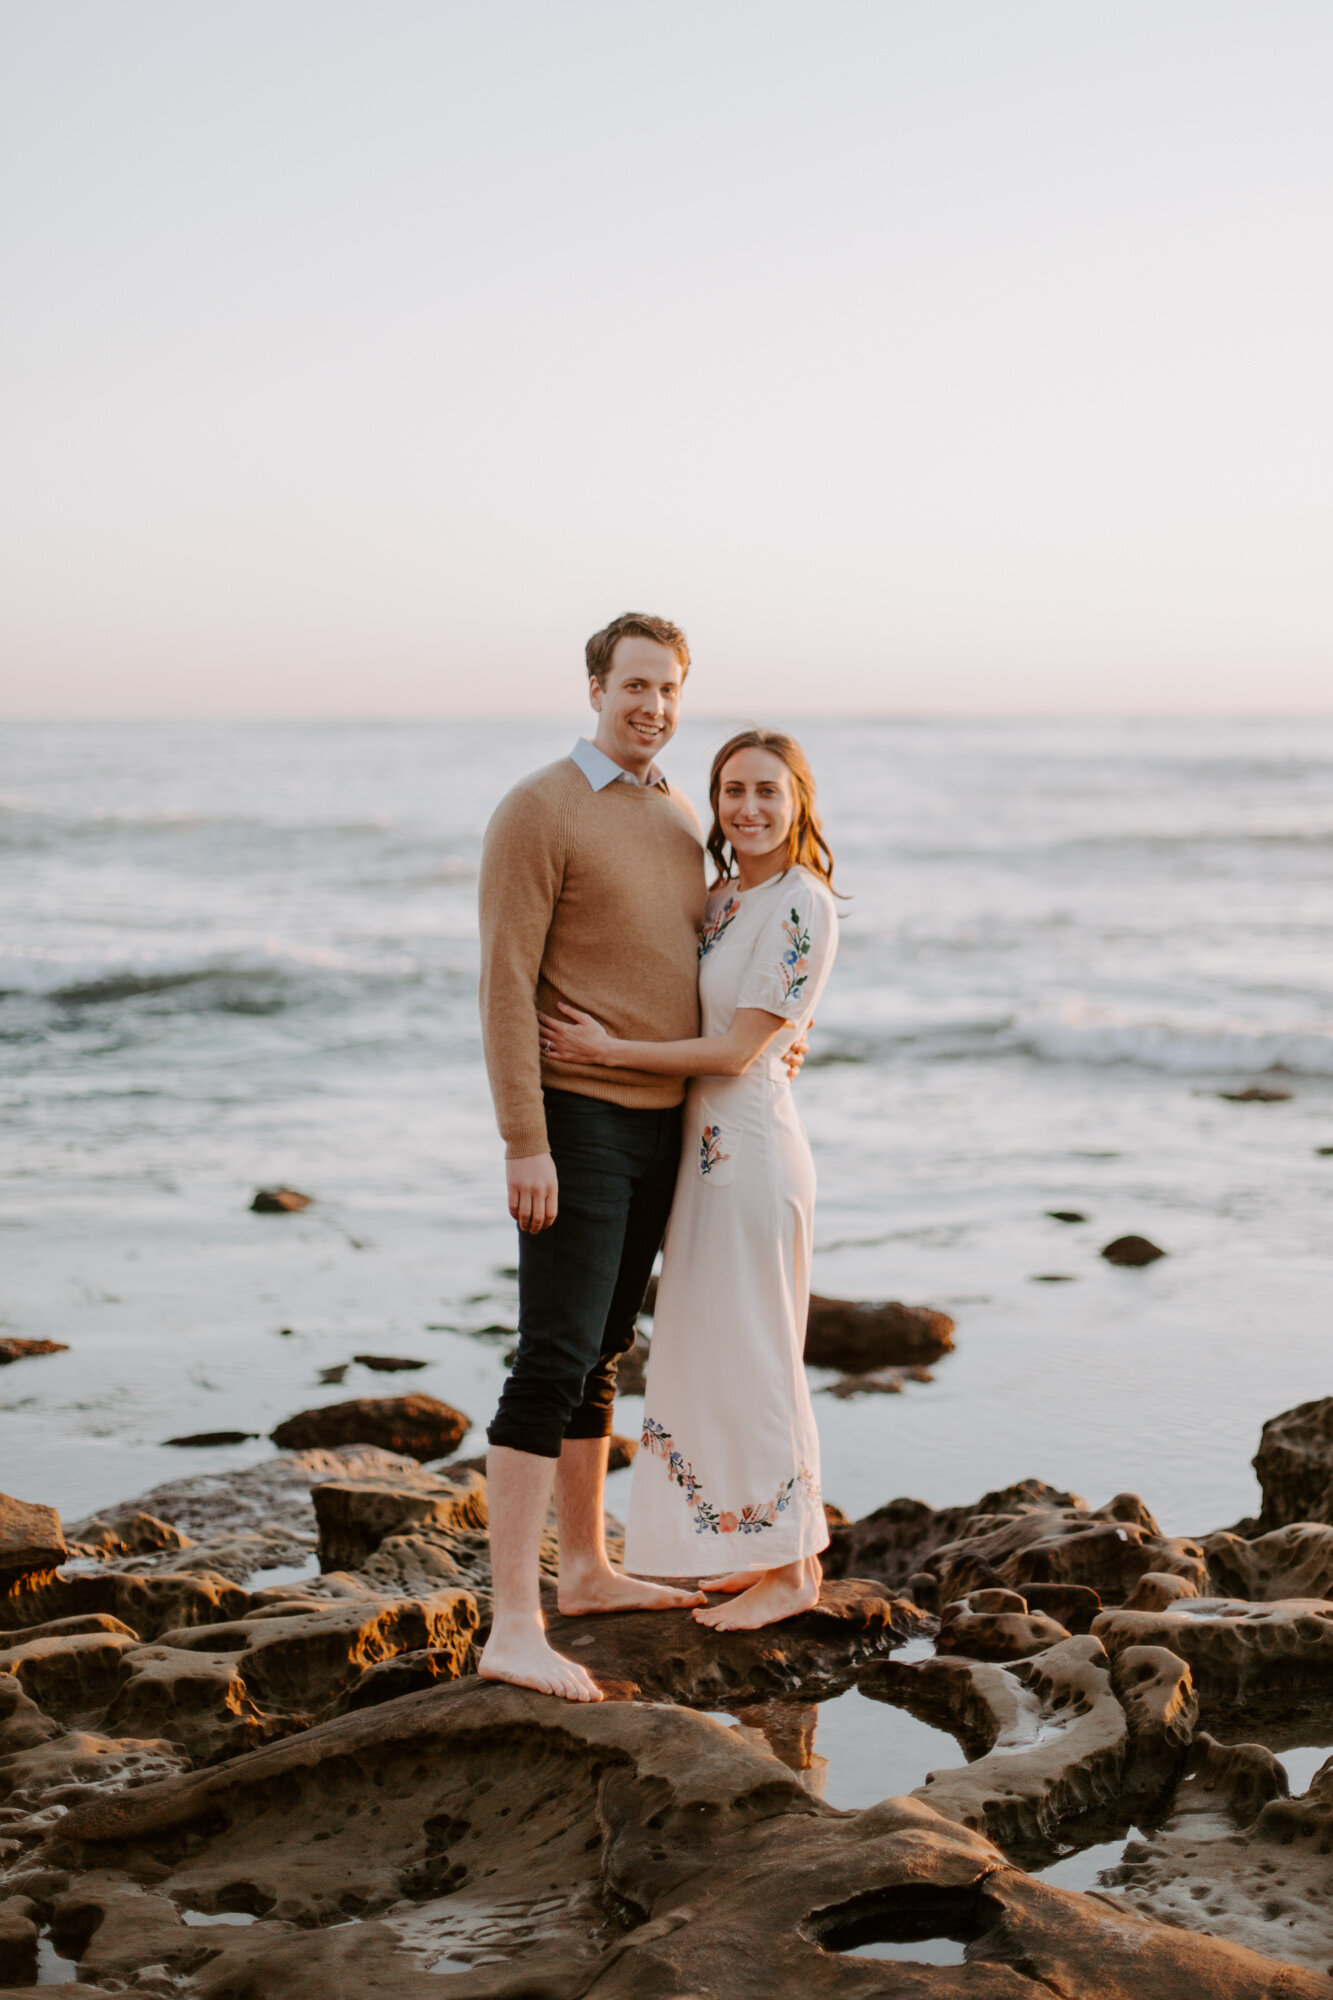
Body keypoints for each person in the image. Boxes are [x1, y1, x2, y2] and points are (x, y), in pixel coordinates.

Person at [475, 614, 806, 1701]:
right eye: (633, 685)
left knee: (604, 1352)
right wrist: (525, 1138)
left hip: (668, 1124)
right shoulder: (537, 808)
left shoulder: (678, 816)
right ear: (593, 687)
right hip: (575, 1119)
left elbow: (731, 953)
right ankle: (514, 1622)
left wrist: (777, 1035)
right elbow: (504, 986)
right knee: (553, 1353)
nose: (651, 705)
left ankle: (587, 1570)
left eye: (667, 688)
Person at [538, 729, 840, 1630]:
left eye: (766, 792)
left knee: (758, 1355)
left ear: (798, 804)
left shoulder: (801, 904)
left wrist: (606, 1051)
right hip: (701, 1163)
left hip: (751, 1157)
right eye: (731, 790)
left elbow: (740, 1048)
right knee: (713, 1354)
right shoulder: (725, 901)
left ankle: (793, 1573)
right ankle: (751, 1553)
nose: (747, 808)